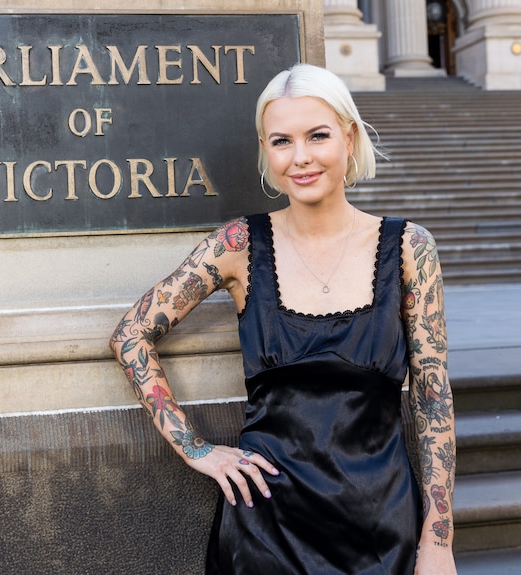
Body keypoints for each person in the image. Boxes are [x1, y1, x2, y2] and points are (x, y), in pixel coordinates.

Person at [110, 63, 457, 575]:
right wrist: (195, 448)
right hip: (264, 531)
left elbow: (432, 400)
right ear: (265, 150)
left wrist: (438, 538)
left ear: (349, 136)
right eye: (281, 141)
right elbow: (131, 334)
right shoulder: (238, 246)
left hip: (382, 528)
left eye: (317, 136)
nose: (301, 158)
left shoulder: (409, 249)